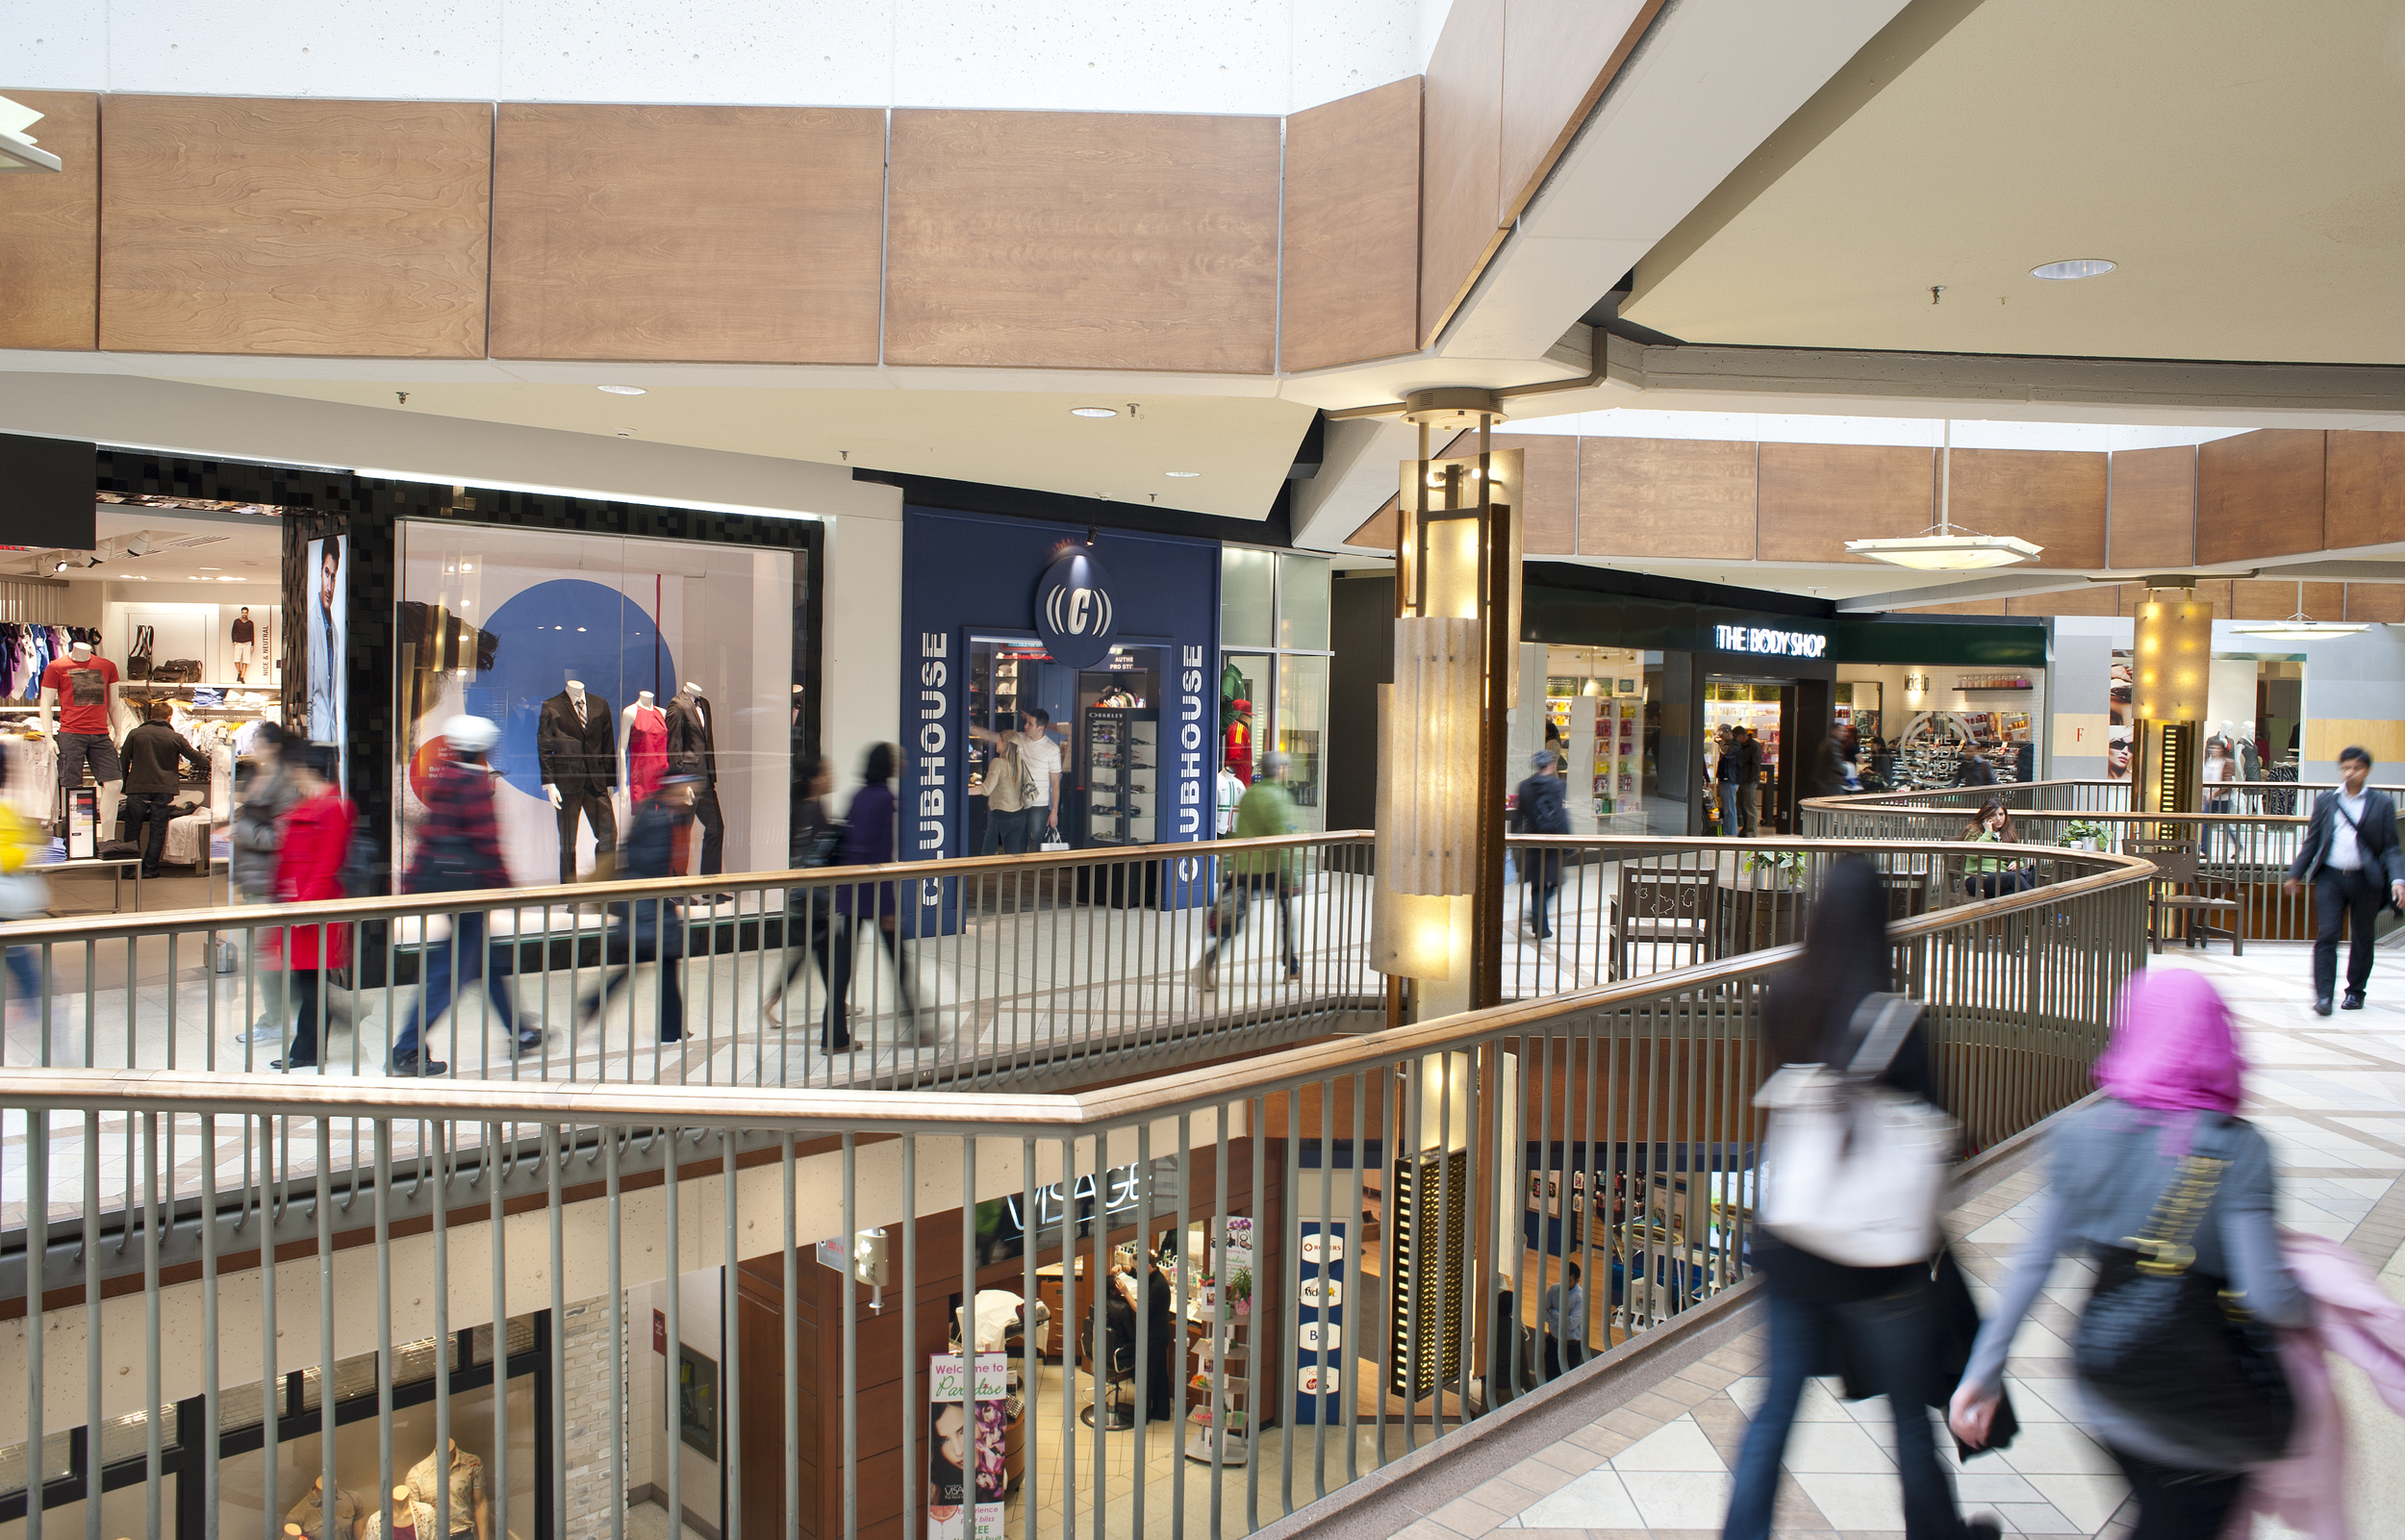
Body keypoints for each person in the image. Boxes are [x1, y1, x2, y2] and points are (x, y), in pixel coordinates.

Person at [1950, 970, 2307, 1538]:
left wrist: (1983, 1372)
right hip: (2204, 1405)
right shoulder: (2240, 1150)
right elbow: (2270, 1296)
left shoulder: (2082, 1136)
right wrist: (2309, 1300)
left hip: (2107, 1377)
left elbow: (2034, 1264)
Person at [1723, 857, 1992, 1540]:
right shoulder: (1899, 1022)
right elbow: (1936, 1134)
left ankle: (1743, 1530)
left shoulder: (1786, 996)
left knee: (1777, 1403)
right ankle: (1936, 1530)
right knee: (1906, 1410)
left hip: (1794, 1240)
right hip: (1881, 1257)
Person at [390, 716, 540, 1076]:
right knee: (450, 973)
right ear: (483, 750)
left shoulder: (448, 778)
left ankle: (519, 1031)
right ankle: (408, 1048)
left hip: (448, 887)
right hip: (469, 891)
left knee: (489, 964)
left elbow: (433, 835)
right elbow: (486, 842)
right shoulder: (474, 786)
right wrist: (505, 886)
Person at [578, 774, 700, 1046]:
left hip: (644, 908)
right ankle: (670, 1029)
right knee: (662, 964)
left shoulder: (651, 809)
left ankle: (596, 1003)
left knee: (643, 965)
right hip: (650, 910)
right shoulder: (659, 818)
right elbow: (652, 867)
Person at [2283, 745, 2405, 1015]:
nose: (2350, 772)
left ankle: (2355, 992)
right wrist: (2295, 874)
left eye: (2356, 768)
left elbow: (2392, 848)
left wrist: (2398, 879)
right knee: (2327, 934)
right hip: (2331, 879)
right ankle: (2324, 996)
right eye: (2346, 767)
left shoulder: (2381, 803)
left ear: (2367, 771)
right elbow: (2312, 842)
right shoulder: (2327, 801)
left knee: (2362, 936)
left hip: (2366, 880)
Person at [824, 743, 917, 1052]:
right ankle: (918, 1026)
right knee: (899, 962)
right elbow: (881, 854)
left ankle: (833, 1037)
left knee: (843, 967)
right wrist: (889, 905)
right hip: (874, 894)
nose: (901, 762)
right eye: (896, 758)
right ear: (887, 765)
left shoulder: (859, 796)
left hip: (851, 891)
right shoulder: (885, 799)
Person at [267, 745, 354, 1072]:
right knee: (307, 981)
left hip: (314, 911)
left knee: (310, 982)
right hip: (300, 907)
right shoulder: (313, 804)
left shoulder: (331, 807)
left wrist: (304, 909)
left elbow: (326, 865)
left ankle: (307, 1050)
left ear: (307, 769)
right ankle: (310, 1045)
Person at [1192, 749, 1301, 990]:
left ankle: (1208, 961)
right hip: (1271, 868)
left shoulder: (1250, 794)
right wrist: (1288, 875)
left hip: (1246, 865)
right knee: (1287, 915)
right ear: (1280, 770)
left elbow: (1240, 831)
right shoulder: (1278, 796)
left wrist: (1233, 865)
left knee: (1232, 918)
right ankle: (1291, 969)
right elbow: (1281, 837)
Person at [229, 722, 301, 1045]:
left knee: (264, 953)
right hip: (255, 878)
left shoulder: (284, 782)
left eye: (258, 739)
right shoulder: (259, 776)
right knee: (267, 953)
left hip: (272, 880)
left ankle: (276, 1020)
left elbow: (287, 836)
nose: (253, 744)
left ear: (272, 745)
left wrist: (243, 832)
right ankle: (300, 1014)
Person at [764, 754, 840, 1029]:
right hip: (809, 899)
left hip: (811, 897)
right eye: (826, 773)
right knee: (807, 955)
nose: (831, 778)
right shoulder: (810, 811)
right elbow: (811, 856)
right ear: (814, 779)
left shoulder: (812, 808)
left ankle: (838, 1001)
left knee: (823, 953)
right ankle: (769, 1005)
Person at [119, 699, 207, 880]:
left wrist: (125, 784)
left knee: (132, 829)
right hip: (163, 789)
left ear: (151, 716)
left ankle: (129, 869)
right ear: (169, 718)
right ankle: (150, 869)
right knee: (157, 829)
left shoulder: (135, 734)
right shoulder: (175, 738)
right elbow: (196, 758)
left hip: (137, 788)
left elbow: (123, 760)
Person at [1510, 749, 1569, 939]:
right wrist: (1568, 843)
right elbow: (1560, 816)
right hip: (1552, 841)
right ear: (1551, 765)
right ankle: (1538, 919)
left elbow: (1518, 817)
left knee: (1538, 884)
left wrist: (1514, 839)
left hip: (1533, 840)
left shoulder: (1524, 786)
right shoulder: (1557, 785)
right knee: (1557, 880)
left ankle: (1540, 924)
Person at [970, 711, 1046, 855]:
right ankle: (1015, 878)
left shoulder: (998, 763)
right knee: (1013, 859)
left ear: (1004, 743)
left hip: (1000, 818)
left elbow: (986, 789)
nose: (997, 744)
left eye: (999, 741)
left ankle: (992, 878)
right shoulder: (1020, 763)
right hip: (1019, 817)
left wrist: (964, 791)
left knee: (987, 857)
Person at [1958, 797, 2033, 898]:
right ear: (1985, 816)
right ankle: (2045, 910)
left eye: (2001, 814)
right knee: (2013, 878)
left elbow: (2018, 859)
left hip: (2001, 880)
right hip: (1976, 879)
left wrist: (2016, 863)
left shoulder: (2009, 834)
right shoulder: (1975, 831)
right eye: (1993, 815)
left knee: (2011, 894)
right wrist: (1988, 833)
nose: (1998, 819)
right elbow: (1973, 855)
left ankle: (2044, 912)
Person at [1542, 1260, 1585, 1379]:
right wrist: (1562, 1320)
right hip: (1553, 1343)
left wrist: (1553, 1312)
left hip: (1570, 1348)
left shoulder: (1581, 1297)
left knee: (1566, 1383)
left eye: (1569, 1280)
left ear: (1577, 1281)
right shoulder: (1554, 1289)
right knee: (1549, 1381)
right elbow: (1543, 1314)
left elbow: (1572, 1324)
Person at [1736, 726, 1763, 836]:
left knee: (1749, 804)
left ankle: (1752, 831)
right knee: (1742, 804)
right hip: (1741, 779)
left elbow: (1756, 764)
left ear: (1741, 736)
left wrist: (1752, 779)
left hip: (1749, 781)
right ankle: (1746, 828)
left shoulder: (1754, 746)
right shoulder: (1742, 746)